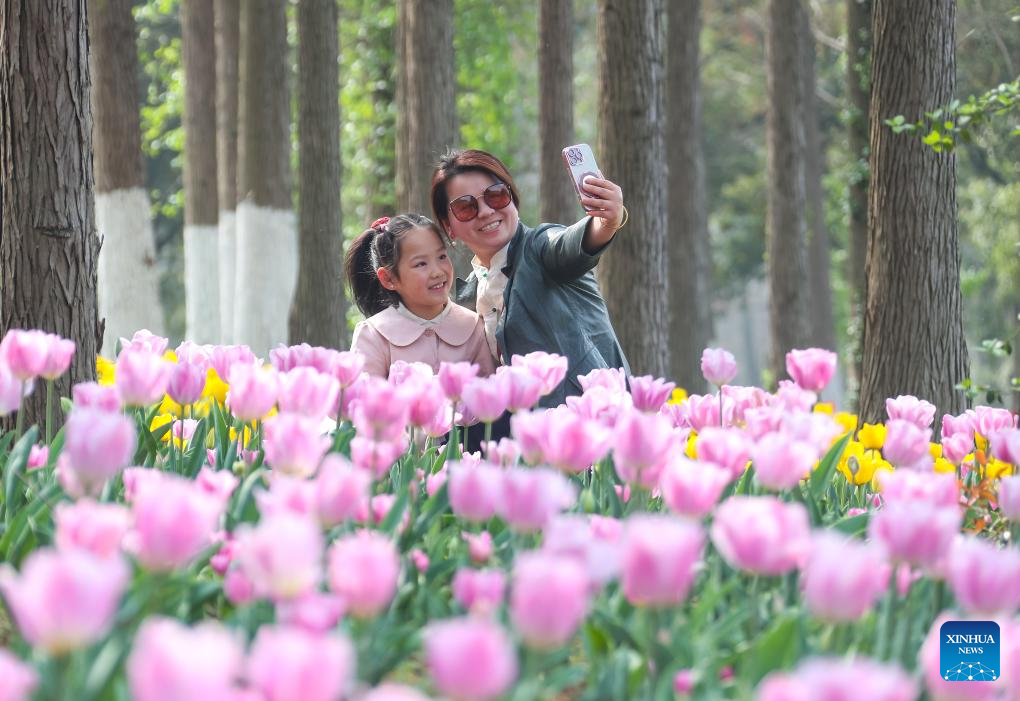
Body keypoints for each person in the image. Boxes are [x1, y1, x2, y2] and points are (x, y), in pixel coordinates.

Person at [430, 149, 630, 409]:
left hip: (596, 425)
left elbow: (571, 245)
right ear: (449, 227)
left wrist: (606, 222)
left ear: (511, 198)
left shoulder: (540, 248)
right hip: (529, 440)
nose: (485, 211)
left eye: (496, 195)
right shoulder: (470, 292)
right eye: (466, 207)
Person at [345, 213, 495, 379]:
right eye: (421, 263)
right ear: (389, 279)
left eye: (442, 257)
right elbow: (365, 399)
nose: (437, 271)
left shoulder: (472, 326)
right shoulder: (374, 335)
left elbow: (487, 395)